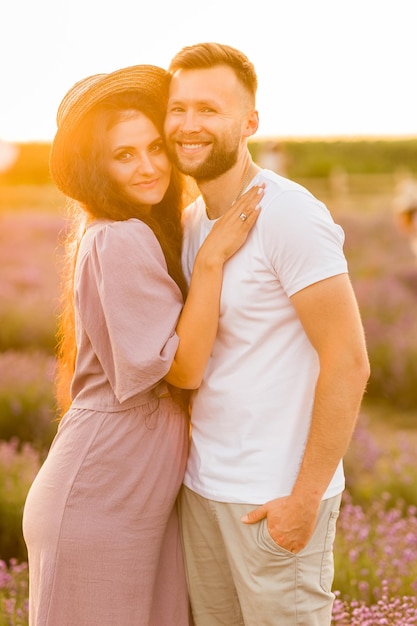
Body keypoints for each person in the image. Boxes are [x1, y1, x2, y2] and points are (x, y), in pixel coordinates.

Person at [22, 64, 263, 626]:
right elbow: (181, 370)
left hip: (127, 494)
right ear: (96, 168)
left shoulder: (125, 230)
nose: (150, 165)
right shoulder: (120, 237)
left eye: (155, 146)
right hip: (102, 498)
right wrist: (210, 261)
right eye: (124, 155)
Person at [164, 42, 371, 625]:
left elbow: (349, 361)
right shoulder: (190, 223)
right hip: (204, 491)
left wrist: (303, 501)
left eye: (209, 109)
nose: (188, 125)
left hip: (274, 499)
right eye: (178, 109)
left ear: (250, 121)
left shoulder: (289, 215)